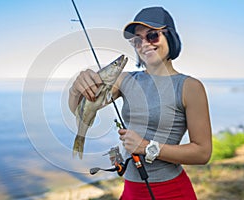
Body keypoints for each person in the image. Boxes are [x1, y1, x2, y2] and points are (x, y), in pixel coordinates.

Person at [68, 6, 212, 200]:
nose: (144, 44)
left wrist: (146, 147)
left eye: (152, 35)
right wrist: (76, 89)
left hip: (171, 192)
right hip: (131, 191)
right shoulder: (124, 80)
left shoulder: (190, 87)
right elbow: (81, 109)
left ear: (170, 36)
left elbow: (202, 153)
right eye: (137, 40)